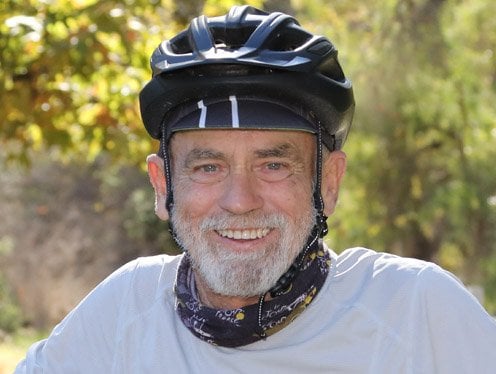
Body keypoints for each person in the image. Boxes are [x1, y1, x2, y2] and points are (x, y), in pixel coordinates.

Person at [16, 5, 496, 373]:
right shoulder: (124, 312)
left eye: (273, 164)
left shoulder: (415, 309)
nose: (240, 200)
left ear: (328, 183)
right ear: (163, 187)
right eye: (207, 167)